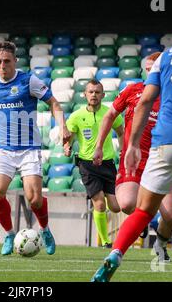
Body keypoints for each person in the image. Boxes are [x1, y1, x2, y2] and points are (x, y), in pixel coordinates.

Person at [92, 3, 172, 282]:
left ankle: (115, 253)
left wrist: (134, 144)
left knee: (143, 210)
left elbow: (146, 100)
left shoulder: (169, 55)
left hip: (165, 142)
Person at [0, 41, 71, 255]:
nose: (2, 65)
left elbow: (53, 103)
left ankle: (44, 229)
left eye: (7, 61)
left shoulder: (28, 81)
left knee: (34, 200)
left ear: (15, 61)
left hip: (28, 148)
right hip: (3, 148)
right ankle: (8, 234)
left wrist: (63, 127)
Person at [92, 52, 172, 262]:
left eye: (154, 69)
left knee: (170, 216)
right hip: (134, 158)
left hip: (163, 160)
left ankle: (160, 244)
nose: (150, 72)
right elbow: (110, 115)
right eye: (147, 69)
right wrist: (99, 146)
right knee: (127, 204)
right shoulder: (132, 90)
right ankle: (141, 220)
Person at [64, 79, 123, 248]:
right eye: (91, 92)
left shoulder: (110, 113)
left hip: (107, 163)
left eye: (97, 92)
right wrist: (67, 147)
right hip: (87, 164)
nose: (94, 95)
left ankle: (138, 221)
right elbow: (69, 138)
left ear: (103, 95)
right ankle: (105, 241)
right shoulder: (76, 116)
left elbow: (121, 132)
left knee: (116, 206)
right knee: (98, 203)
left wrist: (123, 150)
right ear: (84, 94)